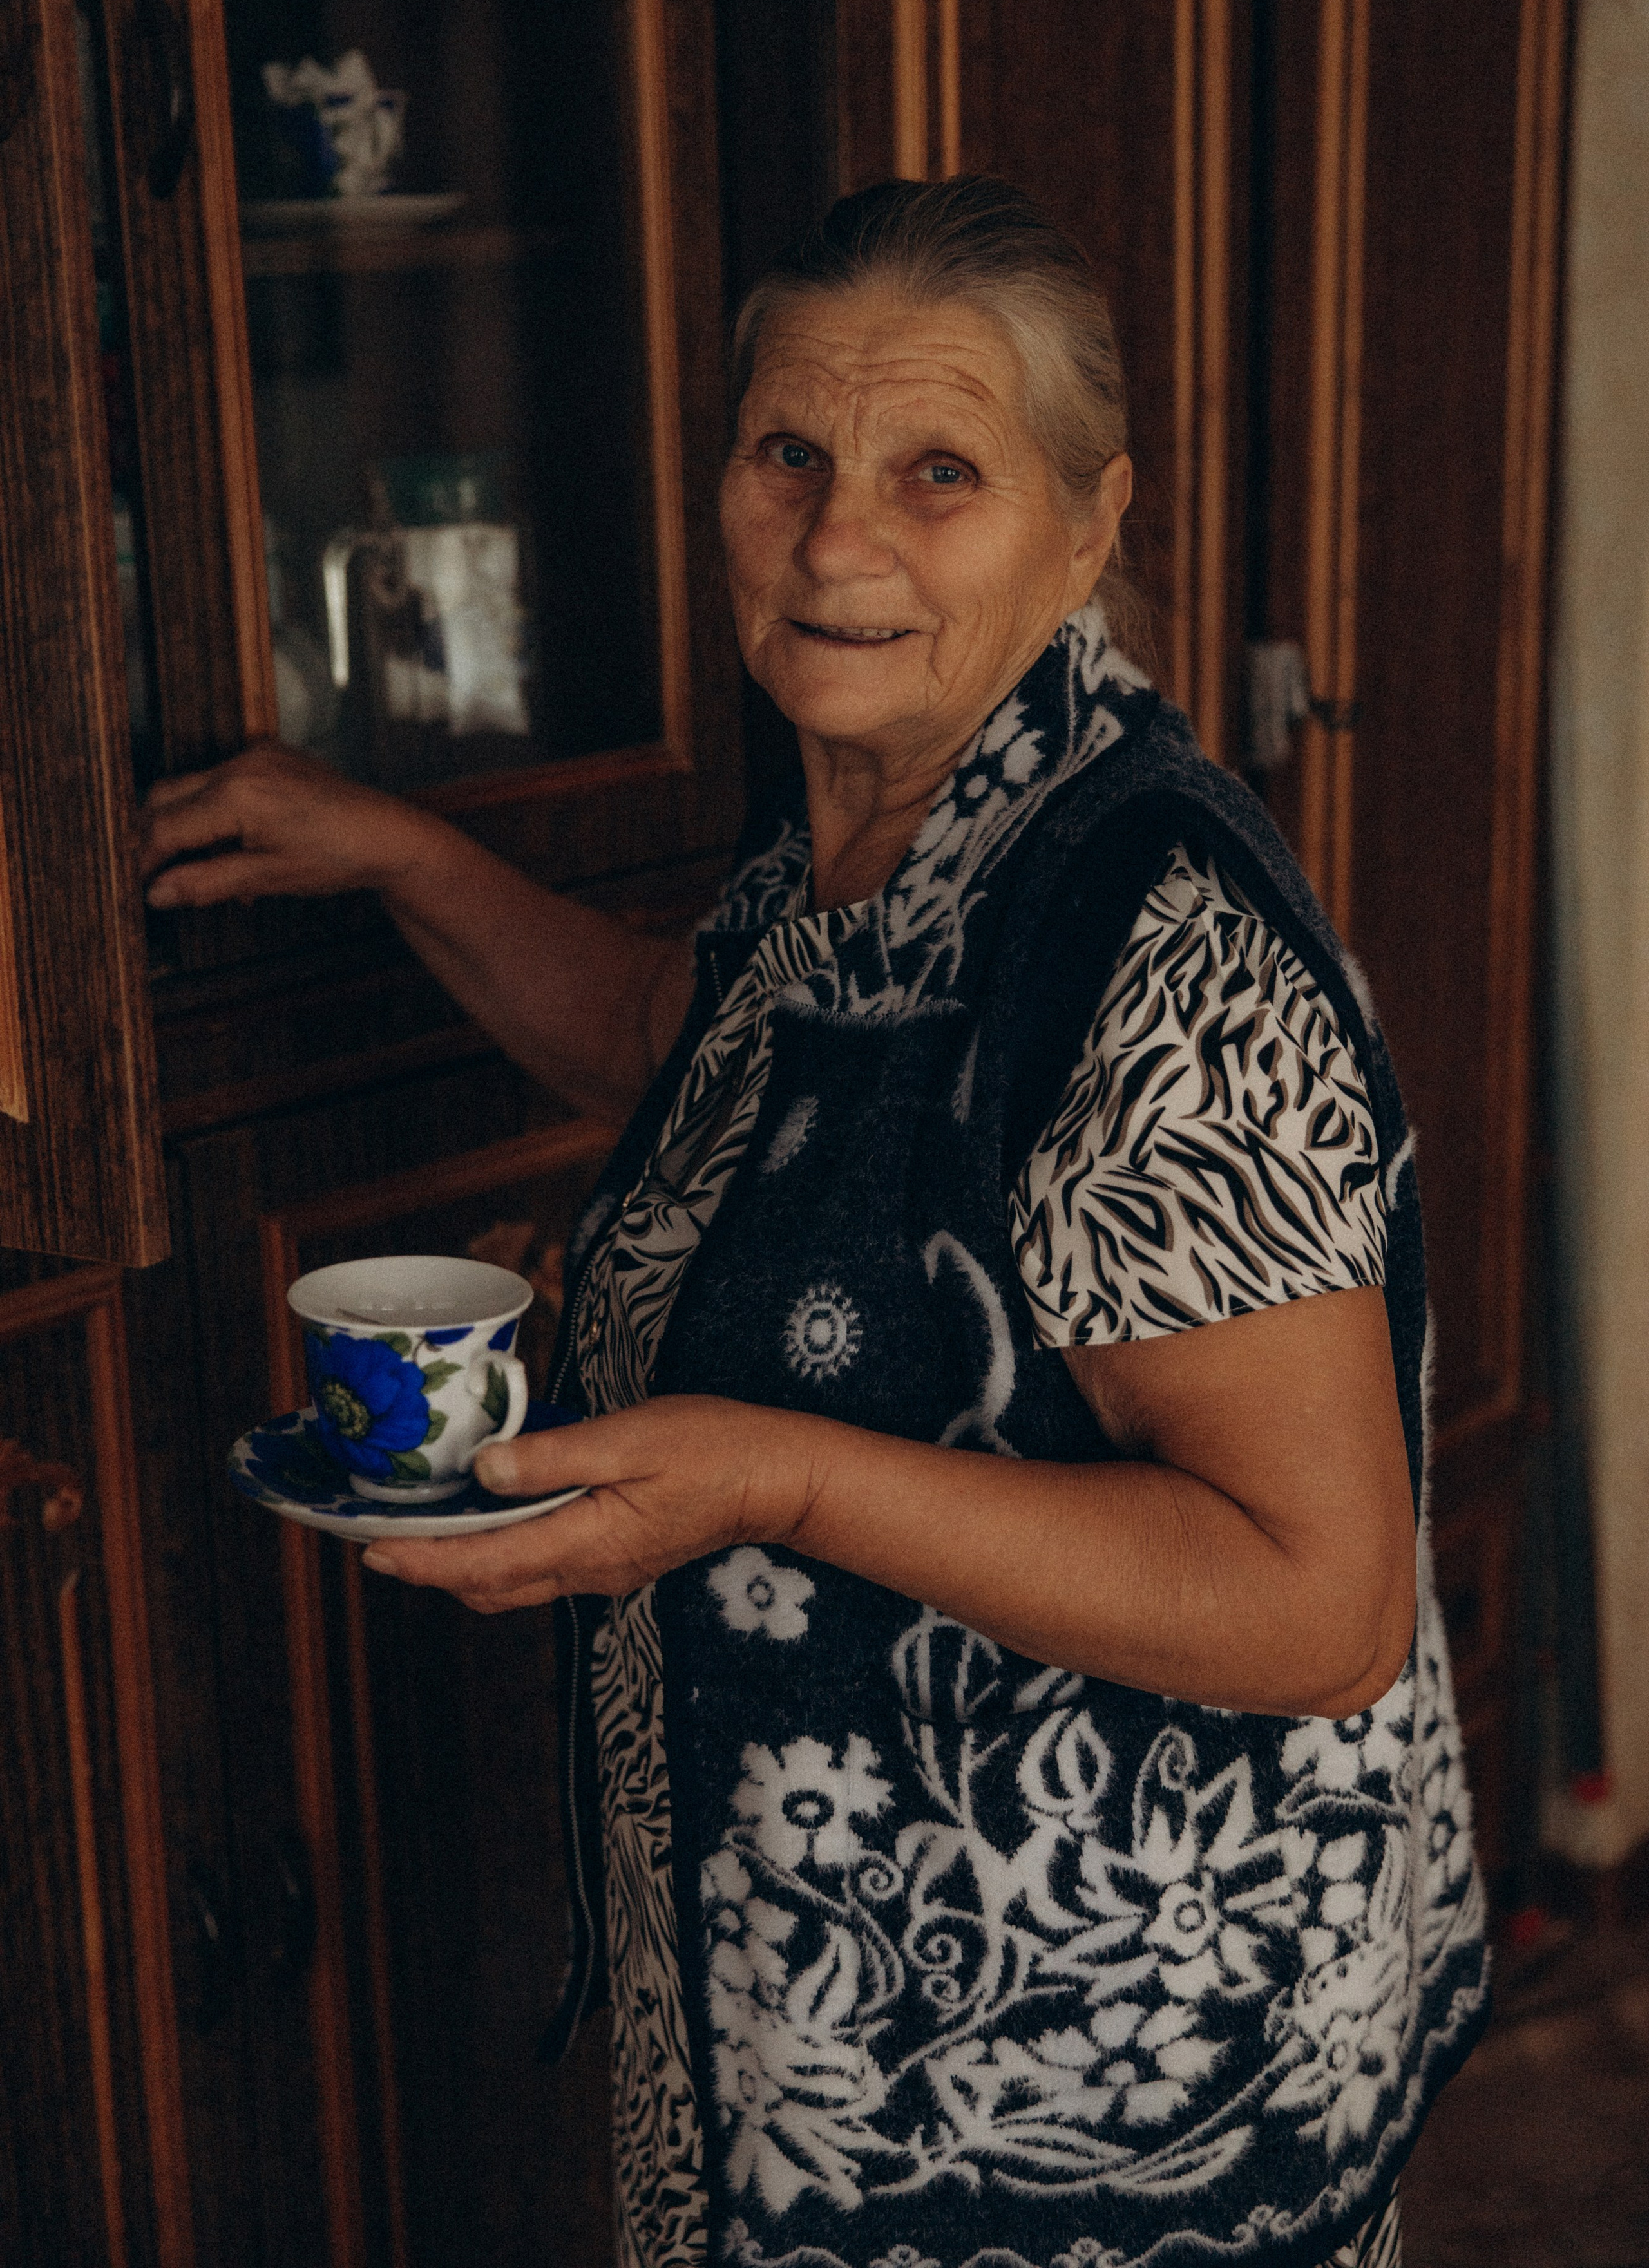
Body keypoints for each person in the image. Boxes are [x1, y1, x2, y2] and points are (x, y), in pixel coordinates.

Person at [142, 177, 1486, 2268]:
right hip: (829, 2043)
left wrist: (767, 1478)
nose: (839, 537)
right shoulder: (877, 846)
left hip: (1080, 2112)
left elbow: (1318, 1603)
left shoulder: (1150, 947)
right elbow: (692, 1063)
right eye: (792, 453)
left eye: (938, 472)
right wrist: (399, 853)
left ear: (1091, 518)